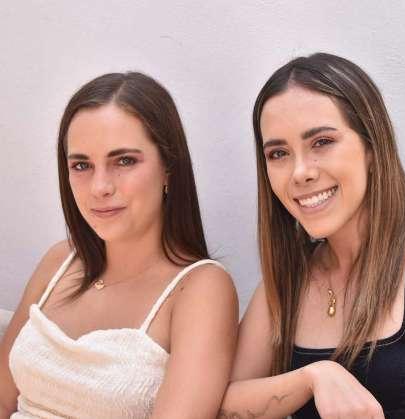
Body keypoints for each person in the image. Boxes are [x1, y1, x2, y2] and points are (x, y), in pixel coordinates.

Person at [219, 53, 405, 418]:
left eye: (322, 142)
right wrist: (313, 378)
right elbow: (220, 406)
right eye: (278, 153)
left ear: (371, 146)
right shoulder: (285, 284)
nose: (300, 172)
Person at [0, 72, 238, 418]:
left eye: (124, 161)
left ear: (169, 168)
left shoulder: (200, 288)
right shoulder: (60, 260)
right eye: (82, 165)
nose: (100, 187)